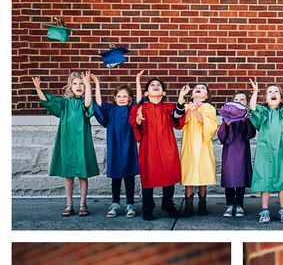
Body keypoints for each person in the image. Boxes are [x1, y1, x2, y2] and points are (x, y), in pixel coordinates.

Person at [32, 70, 99, 216]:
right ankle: (69, 204)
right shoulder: (64, 102)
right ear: (70, 86)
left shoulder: (84, 101)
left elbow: (88, 105)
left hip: (82, 141)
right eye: (75, 83)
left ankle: (83, 204)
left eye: (81, 84)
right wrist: (38, 89)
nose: (79, 86)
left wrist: (89, 85)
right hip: (67, 140)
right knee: (68, 175)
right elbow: (48, 102)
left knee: (83, 174)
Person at [130, 77, 189, 220]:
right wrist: (138, 119)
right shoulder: (139, 108)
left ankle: (167, 204)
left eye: (158, 85)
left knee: (168, 174)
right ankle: (147, 207)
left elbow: (177, 116)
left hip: (166, 145)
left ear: (163, 93)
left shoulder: (168, 107)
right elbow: (135, 124)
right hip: (148, 146)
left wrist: (181, 99)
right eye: (152, 85)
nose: (155, 86)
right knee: (148, 176)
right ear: (146, 93)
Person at [248, 76, 283, 223]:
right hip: (264, 151)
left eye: (276, 91)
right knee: (265, 179)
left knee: (282, 178)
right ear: (266, 98)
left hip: (280, 150)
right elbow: (252, 107)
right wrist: (255, 91)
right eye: (270, 91)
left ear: (281, 98)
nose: (273, 93)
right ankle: (264, 210)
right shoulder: (263, 111)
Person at [90, 74, 141, 218]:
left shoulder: (132, 109)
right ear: (114, 98)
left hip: (129, 146)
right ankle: (115, 203)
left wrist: (137, 81)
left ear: (129, 98)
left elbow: (139, 100)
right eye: (119, 96)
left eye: (125, 96)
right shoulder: (111, 110)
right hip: (115, 146)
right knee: (116, 177)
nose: (122, 99)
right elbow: (99, 102)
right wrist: (97, 83)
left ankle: (130, 204)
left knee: (129, 176)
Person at [180, 83, 218, 216]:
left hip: (203, 144)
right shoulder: (185, 107)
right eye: (197, 87)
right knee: (189, 173)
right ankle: (188, 206)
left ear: (206, 95)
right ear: (191, 94)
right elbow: (181, 122)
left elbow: (209, 126)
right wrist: (189, 108)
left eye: (202, 88)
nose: (199, 89)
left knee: (202, 173)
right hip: (189, 143)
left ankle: (202, 204)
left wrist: (196, 111)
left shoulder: (209, 108)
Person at [217, 93, 256, 217]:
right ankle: (229, 205)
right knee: (229, 177)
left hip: (242, 151)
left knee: (241, 177)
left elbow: (250, 134)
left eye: (242, 99)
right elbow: (222, 137)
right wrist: (226, 125)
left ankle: (239, 204)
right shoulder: (226, 118)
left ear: (246, 103)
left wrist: (245, 122)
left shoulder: (248, 117)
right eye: (236, 99)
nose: (239, 101)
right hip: (229, 151)